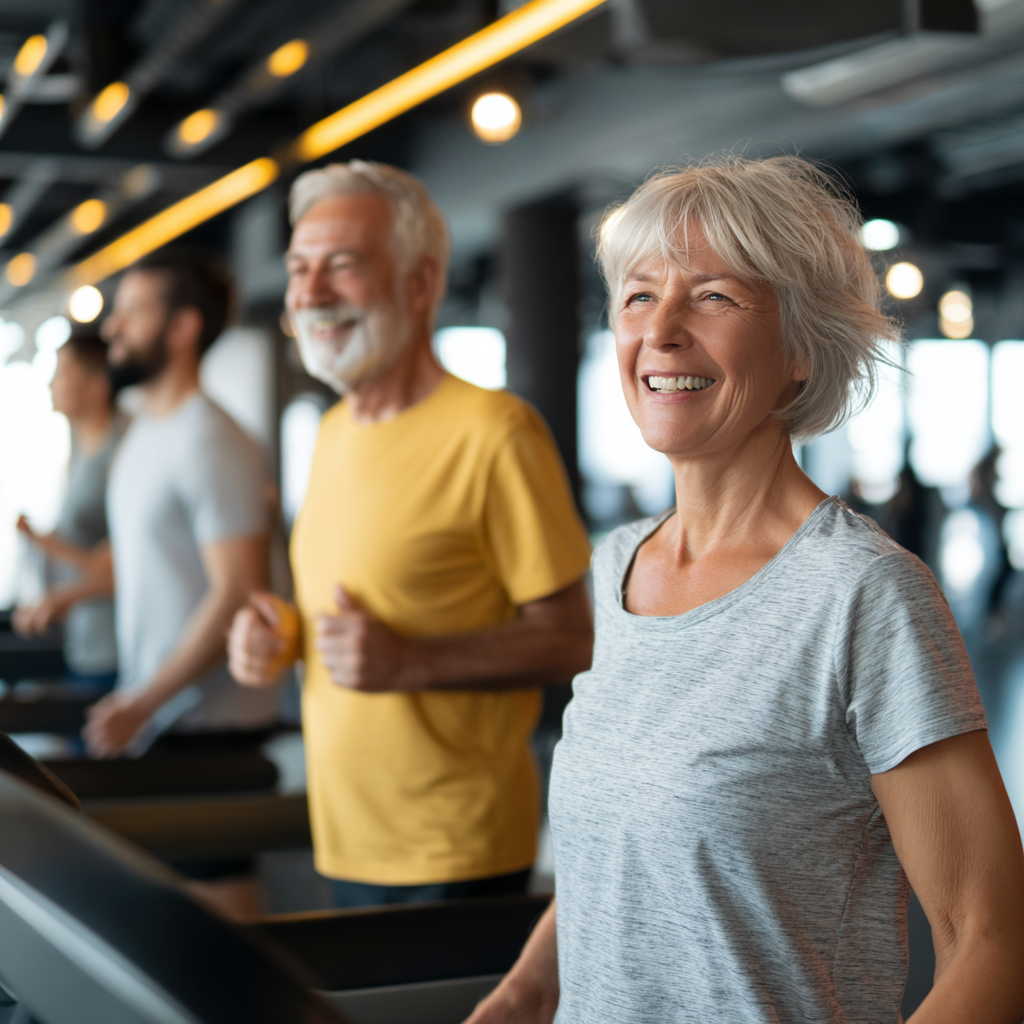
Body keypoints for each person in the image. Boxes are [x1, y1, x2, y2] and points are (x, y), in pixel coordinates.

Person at [467, 156, 1024, 1024]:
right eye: (639, 295)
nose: (662, 330)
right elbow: (618, 849)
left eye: (715, 296)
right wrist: (523, 993)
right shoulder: (617, 566)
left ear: (803, 349)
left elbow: (992, 940)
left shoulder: (862, 594)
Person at [228, 161, 593, 908]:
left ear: (420, 284)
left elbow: (573, 638)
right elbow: (366, 608)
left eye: (342, 265)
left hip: (454, 849)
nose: (310, 292)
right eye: (299, 267)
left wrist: (412, 662)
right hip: (342, 831)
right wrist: (282, 635)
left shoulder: (496, 431)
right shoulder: (330, 433)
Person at [84, 250, 279, 758]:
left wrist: (143, 702)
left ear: (183, 327)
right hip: (158, 715)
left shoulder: (210, 439)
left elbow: (238, 590)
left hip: (208, 727)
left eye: (132, 311)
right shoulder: (145, 433)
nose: (112, 327)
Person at [14, 327, 119, 691]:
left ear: (97, 384)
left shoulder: (118, 453)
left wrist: (43, 541)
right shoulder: (81, 450)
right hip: (85, 636)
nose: (51, 384)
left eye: (62, 372)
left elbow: (119, 566)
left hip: (113, 642)